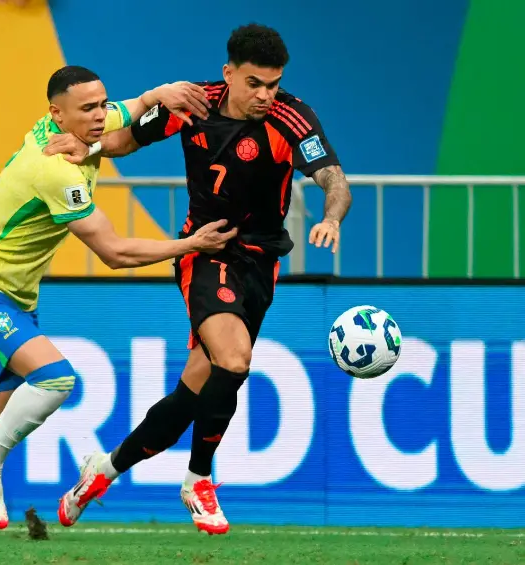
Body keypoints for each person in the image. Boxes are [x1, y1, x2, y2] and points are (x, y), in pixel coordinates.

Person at [0, 65, 236, 540]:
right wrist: (190, 245)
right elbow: (114, 253)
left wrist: (157, 92)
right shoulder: (54, 168)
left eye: (101, 105)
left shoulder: (73, 127)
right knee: (55, 378)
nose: (100, 117)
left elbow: (129, 110)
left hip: (7, 295)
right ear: (57, 113)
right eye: (88, 109)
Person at [46, 24, 353, 535]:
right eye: (254, 83)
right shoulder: (192, 103)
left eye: (274, 85)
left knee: (194, 392)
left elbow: (334, 180)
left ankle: (102, 471)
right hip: (205, 250)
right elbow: (124, 141)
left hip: (261, 262)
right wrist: (89, 149)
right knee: (233, 359)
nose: (265, 96)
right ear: (228, 74)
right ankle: (198, 479)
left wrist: (332, 217)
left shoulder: (291, 117)